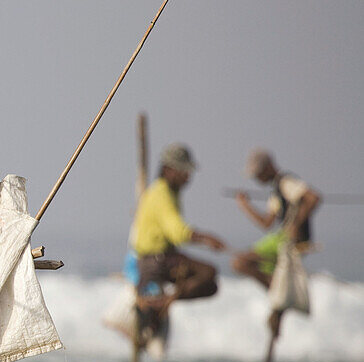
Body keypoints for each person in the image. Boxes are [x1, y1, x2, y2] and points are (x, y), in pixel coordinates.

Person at [129, 143, 225, 327]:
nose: (187, 177)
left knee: (211, 285)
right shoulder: (161, 194)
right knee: (208, 273)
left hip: (161, 258)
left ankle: (161, 302)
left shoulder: (169, 193)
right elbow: (177, 233)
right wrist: (206, 239)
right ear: (168, 170)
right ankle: (159, 302)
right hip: (156, 261)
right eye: (183, 172)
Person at [232, 148, 321, 333]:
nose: (256, 178)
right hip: (280, 238)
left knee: (240, 262)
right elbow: (266, 223)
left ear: (268, 167)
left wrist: (295, 224)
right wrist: (244, 205)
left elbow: (313, 198)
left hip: (288, 240)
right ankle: (279, 294)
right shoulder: (276, 190)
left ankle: (278, 294)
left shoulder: (286, 182)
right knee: (244, 264)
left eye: (258, 173)